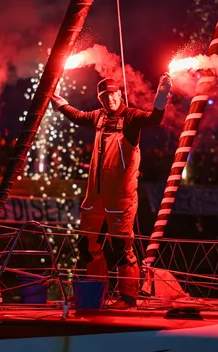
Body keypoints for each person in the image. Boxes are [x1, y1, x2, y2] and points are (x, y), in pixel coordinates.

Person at [51, 74, 172, 309]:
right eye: (105, 97)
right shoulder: (98, 116)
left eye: (114, 94)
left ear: (120, 94)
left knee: (121, 248)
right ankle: (92, 293)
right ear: (100, 99)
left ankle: (128, 297)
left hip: (120, 199)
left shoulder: (132, 117)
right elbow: (78, 117)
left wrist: (162, 97)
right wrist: (60, 103)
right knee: (88, 246)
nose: (110, 100)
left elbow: (154, 119)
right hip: (94, 198)